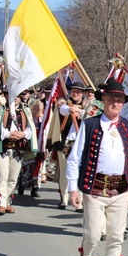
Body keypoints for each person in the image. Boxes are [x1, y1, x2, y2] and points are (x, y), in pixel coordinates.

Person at [67, 79, 128, 256]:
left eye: (119, 100)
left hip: (120, 190)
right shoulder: (90, 124)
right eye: (111, 99)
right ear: (104, 101)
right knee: (91, 235)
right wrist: (73, 188)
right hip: (94, 189)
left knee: (116, 237)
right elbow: (75, 158)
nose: (115, 104)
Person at [0, 96, 38, 215]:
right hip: (3, 149)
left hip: (18, 149)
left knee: (13, 178)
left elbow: (31, 129)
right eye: (12, 96)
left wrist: (23, 134)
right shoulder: (0, 110)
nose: (15, 99)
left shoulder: (25, 111)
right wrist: (9, 134)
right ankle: (1, 204)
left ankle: (8, 201)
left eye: (17, 96)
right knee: (3, 176)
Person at [51, 81, 87, 211]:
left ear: (82, 93)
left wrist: (81, 112)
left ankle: (79, 201)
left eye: (78, 92)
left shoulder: (87, 105)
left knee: (80, 172)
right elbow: (62, 109)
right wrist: (71, 109)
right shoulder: (64, 102)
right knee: (65, 171)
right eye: (73, 91)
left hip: (80, 144)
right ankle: (64, 198)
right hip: (65, 142)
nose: (75, 94)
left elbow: (90, 115)